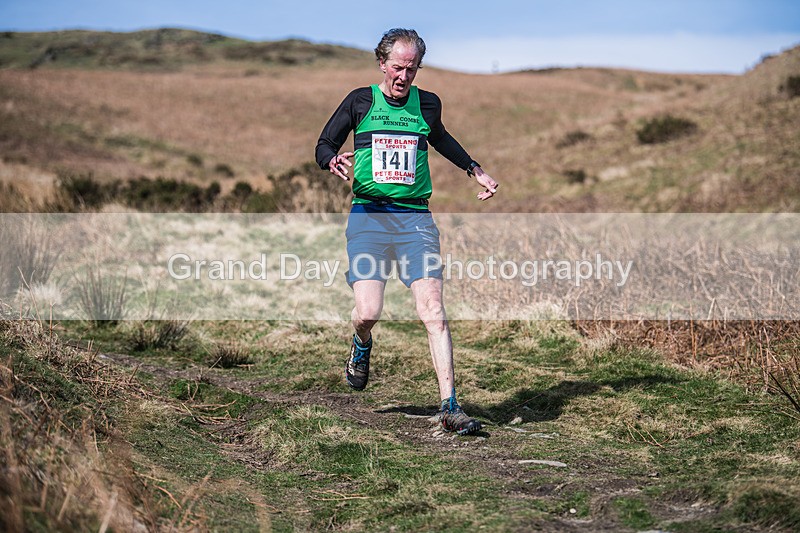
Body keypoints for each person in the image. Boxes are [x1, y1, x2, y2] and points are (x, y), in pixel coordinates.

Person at [315, 28, 499, 435]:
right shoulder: (360, 101)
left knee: (432, 310)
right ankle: (361, 344)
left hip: (415, 218)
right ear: (382, 64)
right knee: (368, 312)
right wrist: (331, 160)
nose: (403, 76)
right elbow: (324, 143)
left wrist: (476, 170)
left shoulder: (427, 105)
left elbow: (442, 139)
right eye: (397, 67)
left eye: (411, 69)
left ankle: (450, 405)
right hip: (368, 217)